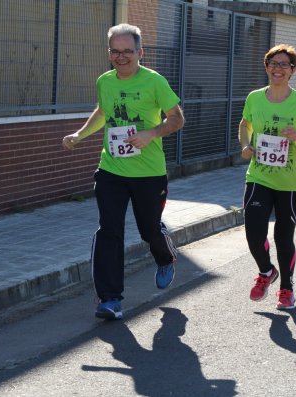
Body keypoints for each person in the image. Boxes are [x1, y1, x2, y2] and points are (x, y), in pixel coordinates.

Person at [62, 23, 185, 320]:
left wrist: (151, 134)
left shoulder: (154, 82)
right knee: (109, 230)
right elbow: (103, 112)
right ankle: (110, 299)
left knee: (149, 229)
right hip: (111, 168)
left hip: (148, 172)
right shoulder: (105, 81)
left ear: (139, 52)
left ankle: (165, 257)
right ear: (109, 54)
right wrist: (80, 134)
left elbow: (177, 118)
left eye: (127, 51)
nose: (121, 57)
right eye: (115, 51)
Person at [239, 44, 296, 310]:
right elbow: (245, 124)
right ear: (266, 67)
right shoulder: (254, 98)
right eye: (274, 63)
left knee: (283, 237)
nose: (278, 68)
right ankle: (266, 272)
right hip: (259, 176)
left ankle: (286, 289)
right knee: (253, 231)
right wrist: (244, 144)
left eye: (284, 64)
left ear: (292, 71)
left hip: (290, 183)